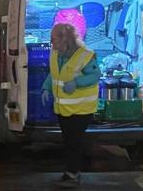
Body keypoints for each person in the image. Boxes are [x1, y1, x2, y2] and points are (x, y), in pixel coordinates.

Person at [41, 23, 101, 189]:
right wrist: (46, 88)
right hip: (63, 109)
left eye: (53, 39)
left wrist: (76, 83)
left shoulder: (85, 56)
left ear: (64, 40)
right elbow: (53, 73)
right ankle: (70, 173)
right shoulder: (55, 54)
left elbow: (96, 75)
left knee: (73, 142)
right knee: (69, 142)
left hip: (82, 109)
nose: (51, 43)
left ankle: (72, 175)